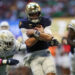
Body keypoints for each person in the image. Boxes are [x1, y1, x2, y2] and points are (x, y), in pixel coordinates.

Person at [19, 2, 56, 75]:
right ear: (28, 14)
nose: (34, 16)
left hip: (45, 52)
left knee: (51, 73)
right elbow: (28, 43)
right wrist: (41, 34)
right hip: (32, 55)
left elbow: (49, 38)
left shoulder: (45, 20)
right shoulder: (24, 23)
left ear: (39, 13)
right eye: (32, 14)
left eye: (36, 13)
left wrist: (35, 33)